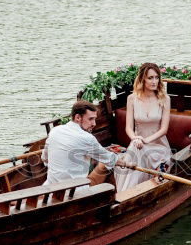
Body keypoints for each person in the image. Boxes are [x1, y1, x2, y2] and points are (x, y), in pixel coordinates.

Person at [45, 100, 129, 190]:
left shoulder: (54, 131)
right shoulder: (87, 138)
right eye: (90, 119)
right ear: (78, 118)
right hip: (75, 193)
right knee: (105, 164)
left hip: (51, 187)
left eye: (94, 119)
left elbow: (45, 159)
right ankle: (115, 194)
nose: (94, 124)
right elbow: (112, 159)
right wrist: (128, 163)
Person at [114, 63, 172, 192]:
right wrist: (136, 139)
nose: (154, 81)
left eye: (157, 77)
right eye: (150, 78)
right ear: (142, 79)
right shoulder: (132, 99)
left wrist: (145, 140)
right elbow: (128, 128)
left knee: (138, 150)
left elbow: (164, 130)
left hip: (158, 146)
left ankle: (131, 192)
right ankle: (126, 194)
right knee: (136, 149)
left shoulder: (165, 99)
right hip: (137, 143)